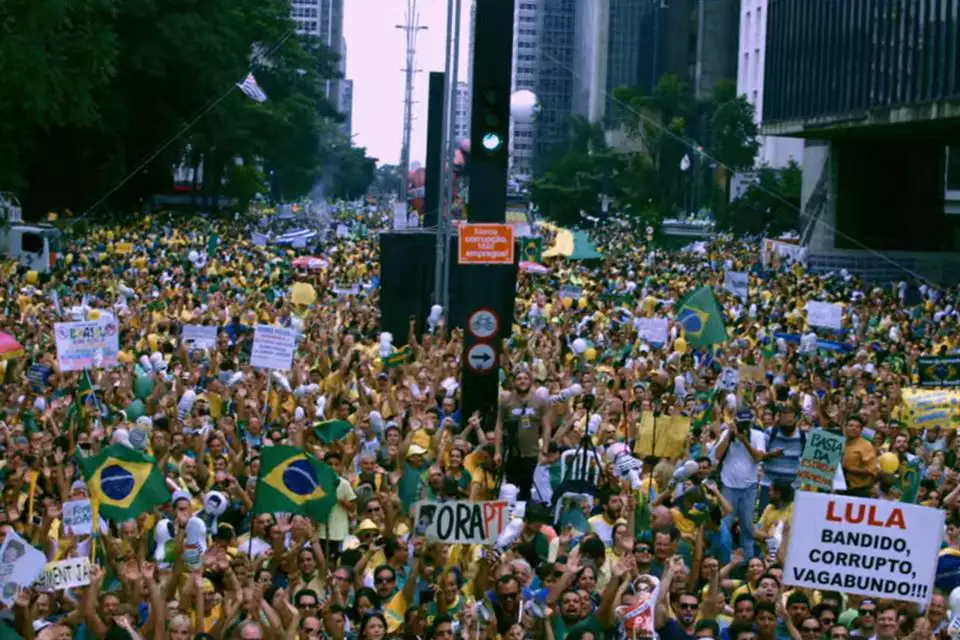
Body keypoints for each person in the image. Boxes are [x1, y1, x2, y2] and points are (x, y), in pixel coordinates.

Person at [496, 366, 552, 501]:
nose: (522, 381)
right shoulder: (506, 402)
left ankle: (525, 518)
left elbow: (546, 426)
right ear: (514, 382)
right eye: (519, 378)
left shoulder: (540, 402)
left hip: (532, 453)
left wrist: (544, 449)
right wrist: (497, 451)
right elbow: (498, 426)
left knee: (527, 490)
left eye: (526, 378)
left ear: (531, 381)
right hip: (512, 453)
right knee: (510, 489)